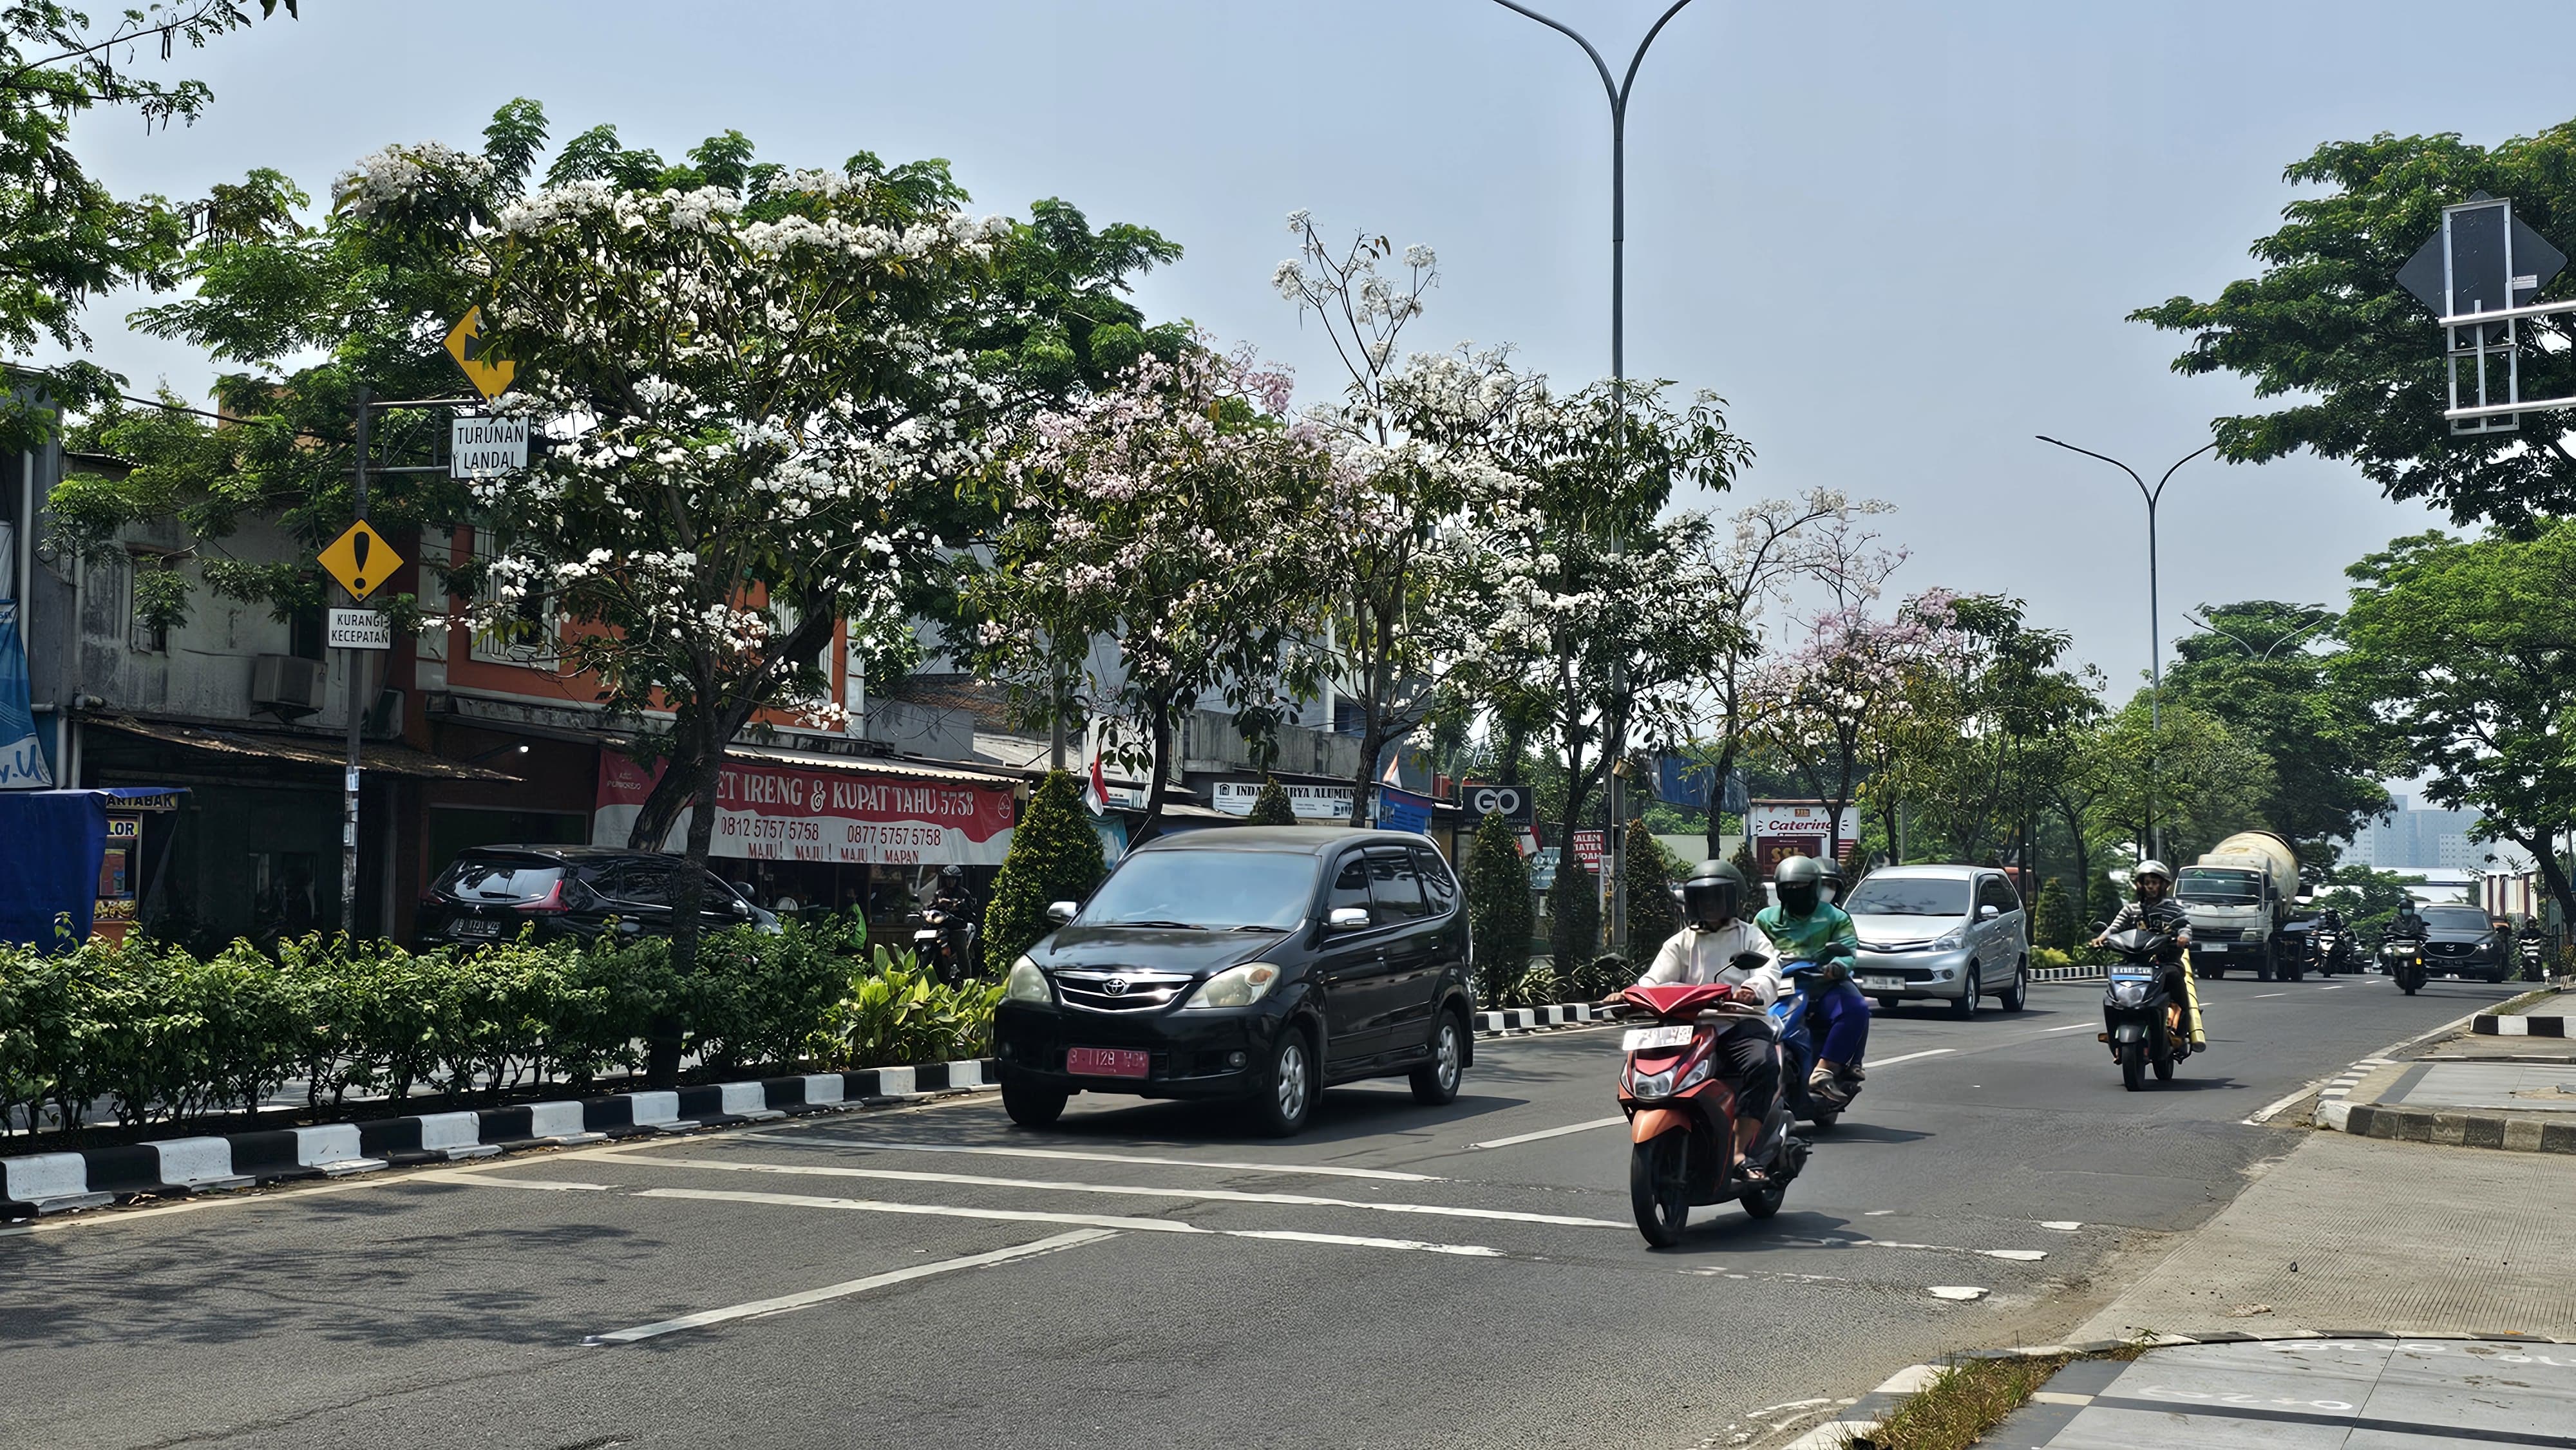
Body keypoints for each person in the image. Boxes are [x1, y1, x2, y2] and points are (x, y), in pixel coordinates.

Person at [1619, 859, 1784, 1178]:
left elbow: (1768, 971)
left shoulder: (1751, 937)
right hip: (1687, 1027)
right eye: (1701, 898)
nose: (1708, 904)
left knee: (1762, 1064)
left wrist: (1751, 989)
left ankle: (1738, 1152)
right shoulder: (1681, 942)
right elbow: (1654, 980)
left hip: (1737, 1024)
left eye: (1716, 897)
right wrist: (1628, 995)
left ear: (1733, 899)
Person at [1755, 854, 1868, 1109]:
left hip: (1822, 984)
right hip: (1778, 983)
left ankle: (1825, 1069)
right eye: (1789, 889)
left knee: (1856, 1009)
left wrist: (1837, 967)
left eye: (1801, 888)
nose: (1795, 893)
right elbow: (1753, 948)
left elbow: (1848, 950)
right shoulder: (1766, 919)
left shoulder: (1835, 917)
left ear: (1814, 886)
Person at [2092, 860, 2204, 1050]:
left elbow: (2185, 926)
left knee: (2176, 977)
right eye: (2147, 883)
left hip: (2166, 962)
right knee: (2111, 994)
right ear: (2140, 886)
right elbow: (2114, 928)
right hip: (2134, 963)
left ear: (2164, 885)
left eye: (2155, 882)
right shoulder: (2131, 910)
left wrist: (2183, 938)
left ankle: (2179, 1033)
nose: (2151, 887)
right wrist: (2101, 938)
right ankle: (2113, 1032)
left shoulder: (2173, 909)